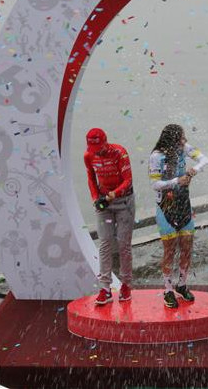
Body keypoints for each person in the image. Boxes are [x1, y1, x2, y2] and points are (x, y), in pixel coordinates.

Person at [149, 124, 208, 309]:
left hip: (184, 205)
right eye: (182, 137)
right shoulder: (157, 156)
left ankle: (181, 284)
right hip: (166, 207)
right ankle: (168, 290)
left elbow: (204, 159)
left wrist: (194, 170)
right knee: (170, 250)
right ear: (172, 140)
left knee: (187, 247)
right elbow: (155, 185)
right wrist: (177, 180)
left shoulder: (184, 148)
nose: (185, 140)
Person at [83, 128, 135, 306]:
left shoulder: (119, 152)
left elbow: (128, 179)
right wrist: (95, 198)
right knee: (105, 242)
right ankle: (105, 288)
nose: (96, 152)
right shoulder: (88, 156)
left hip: (124, 201)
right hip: (104, 203)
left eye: (99, 148)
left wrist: (115, 193)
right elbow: (91, 178)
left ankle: (126, 284)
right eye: (93, 148)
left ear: (105, 142)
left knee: (123, 243)